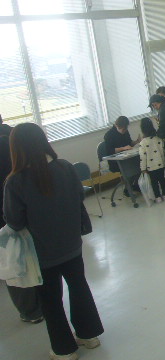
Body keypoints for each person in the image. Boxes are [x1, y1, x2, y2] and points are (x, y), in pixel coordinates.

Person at [3, 123, 104, 360]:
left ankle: (64, 350)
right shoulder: (65, 166)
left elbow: (14, 221)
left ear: (16, 148)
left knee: (50, 300)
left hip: (41, 253)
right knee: (79, 287)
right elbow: (79, 197)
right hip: (72, 245)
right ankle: (89, 335)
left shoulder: (15, 181)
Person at [0, 122, 43, 325]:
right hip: (31, 208)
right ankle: (44, 303)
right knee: (35, 259)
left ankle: (31, 311)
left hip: (8, 215)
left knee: (15, 263)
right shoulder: (13, 136)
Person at [138, 117, 165, 203]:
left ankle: (158, 197)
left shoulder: (143, 143)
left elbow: (143, 157)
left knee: (154, 182)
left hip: (150, 167)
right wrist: (163, 163)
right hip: (160, 164)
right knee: (162, 180)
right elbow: (162, 151)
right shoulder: (158, 139)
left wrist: (143, 169)